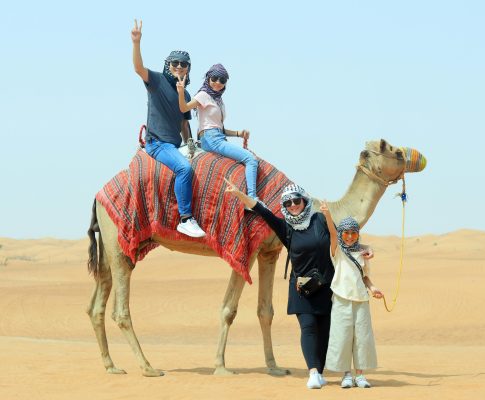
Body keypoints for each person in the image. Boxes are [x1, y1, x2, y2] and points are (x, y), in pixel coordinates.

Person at [225, 180, 372, 389]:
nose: (293, 205)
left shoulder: (320, 220)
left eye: (296, 201)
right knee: (308, 327)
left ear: (304, 201)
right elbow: (261, 210)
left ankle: (319, 372)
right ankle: (312, 372)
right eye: (288, 203)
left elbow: (343, 240)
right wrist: (239, 193)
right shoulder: (286, 228)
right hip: (302, 288)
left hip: (328, 286)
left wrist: (366, 248)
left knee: (325, 330)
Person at [131, 19, 205, 238]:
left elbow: (184, 123)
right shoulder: (156, 80)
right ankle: (185, 218)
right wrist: (136, 42)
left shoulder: (187, 95)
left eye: (183, 64)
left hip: (175, 144)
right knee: (184, 169)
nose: (179, 67)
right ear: (168, 65)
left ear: (188, 68)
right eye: (175, 63)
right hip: (157, 144)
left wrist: (191, 144)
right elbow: (138, 68)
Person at [320, 203, 383, 389]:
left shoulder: (363, 253)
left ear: (358, 235)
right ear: (341, 234)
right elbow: (332, 234)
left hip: (361, 300)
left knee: (362, 337)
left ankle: (360, 375)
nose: (349, 236)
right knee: (343, 336)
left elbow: (365, 278)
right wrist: (327, 215)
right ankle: (346, 374)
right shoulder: (337, 251)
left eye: (353, 233)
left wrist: (373, 289)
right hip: (341, 299)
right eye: (346, 233)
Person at [177, 64, 259, 201]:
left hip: (217, 136)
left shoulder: (218, 100)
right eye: (214, 78)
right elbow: (184, 108)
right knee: (251, 159)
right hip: (211, 139)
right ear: (208, 78)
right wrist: (180, 92)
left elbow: (218, 128)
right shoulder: (203, 95)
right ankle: (252, 199)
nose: (218, 83)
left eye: (222, 80)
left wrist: (239, 133)